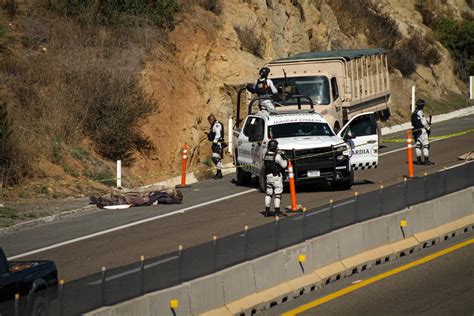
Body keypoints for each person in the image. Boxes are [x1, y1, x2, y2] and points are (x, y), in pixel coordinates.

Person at [263, 139, 288, 217]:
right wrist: (284, 157)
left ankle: (267, 211)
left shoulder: (265, 155)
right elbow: (284, 165)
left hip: (268, 176)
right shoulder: (277, 156)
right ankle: (277, 212)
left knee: (268, 193)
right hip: (276, 177)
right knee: (277, 194)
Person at [411, 99, 434, 165]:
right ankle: (426, 161)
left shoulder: (414, 112)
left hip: (416, 131)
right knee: (426, 145)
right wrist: (428, 128)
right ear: (422, 105)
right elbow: (423, 122)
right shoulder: (420, 112)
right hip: (422, 131)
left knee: (418, 145)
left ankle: (418, 160)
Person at [207, 114, 225, 179]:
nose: (209, 123)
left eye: (209, 121)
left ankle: (219, 173)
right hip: (216, 143)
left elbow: (218, 134)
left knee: (215, 158)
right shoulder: (214, 125)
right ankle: (218, 173)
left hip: (218, 144)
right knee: (217, 158)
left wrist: (214, 142)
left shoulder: (217, 125)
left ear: (211, 120)